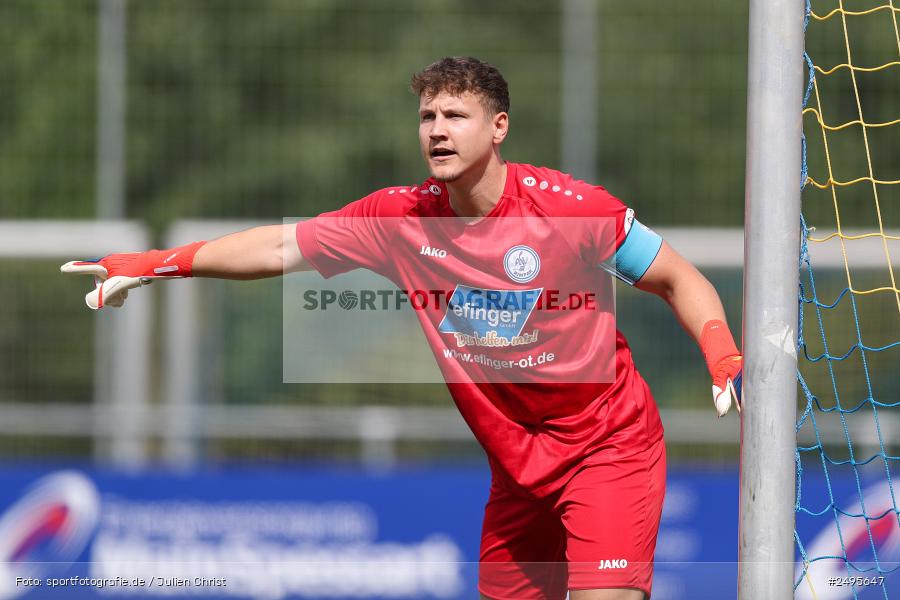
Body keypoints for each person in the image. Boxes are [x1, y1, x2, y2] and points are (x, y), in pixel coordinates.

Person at [63, 57, 742, 600]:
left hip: (607, 445)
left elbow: (681, 279)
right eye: (426, 116)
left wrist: (720, 351)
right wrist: (159, 264)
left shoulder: (571, 209)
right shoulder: (399, 218)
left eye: (456, 115)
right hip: (516, 467)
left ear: (499, 126)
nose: (437, 130)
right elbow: (278, 248)